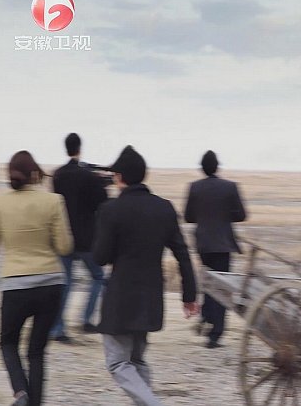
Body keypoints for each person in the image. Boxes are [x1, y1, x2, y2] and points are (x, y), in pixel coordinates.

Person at [93, 146, 199, 406]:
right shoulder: (164, 208)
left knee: (118, 362)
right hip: (151, 295)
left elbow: (100, 257)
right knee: (137, 360)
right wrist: (189, 295)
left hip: (121, 296)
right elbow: (183, 254)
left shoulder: (111, 209)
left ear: (119, 177)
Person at [0, 151, 74, 406]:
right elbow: (65, 247)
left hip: (15, 285)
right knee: (36, 351)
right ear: (34, 173)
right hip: (51, 284)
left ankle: (20, 392)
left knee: (8, 343)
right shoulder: (54, 201)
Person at [184, 150, 247, 348]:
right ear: (217, 167)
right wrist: (224, 216)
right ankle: (215, 334)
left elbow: (188, 217)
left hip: (203, 243)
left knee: (207, 283)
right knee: (221, 287)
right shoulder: (230, 187)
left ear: (202, 168)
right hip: (223, 243)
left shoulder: (195, 187)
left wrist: (205, 217)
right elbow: (241, 215)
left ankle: (206, 317)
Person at [50, 133, 109, 341]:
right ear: (79, 148)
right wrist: (101, 182)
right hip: (86, 238)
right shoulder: (88, 176)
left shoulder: (58, 175)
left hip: (63, 235)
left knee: (65, 282)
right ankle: (86, 319)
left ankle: (57, 328)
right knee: (99, 277)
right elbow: (102, 203)